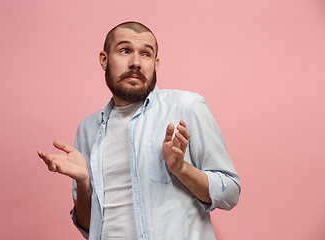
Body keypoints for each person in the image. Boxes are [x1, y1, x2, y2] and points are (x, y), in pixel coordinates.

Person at [38, 21, 241, 240]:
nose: (135, 62)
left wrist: (181, 169)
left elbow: (230, 192)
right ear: (104, 60)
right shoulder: (88, 129)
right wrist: (84, 181)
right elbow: (88, 227)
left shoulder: (187, 107)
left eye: (145, 54)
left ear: (155, 63)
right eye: (125, 51)